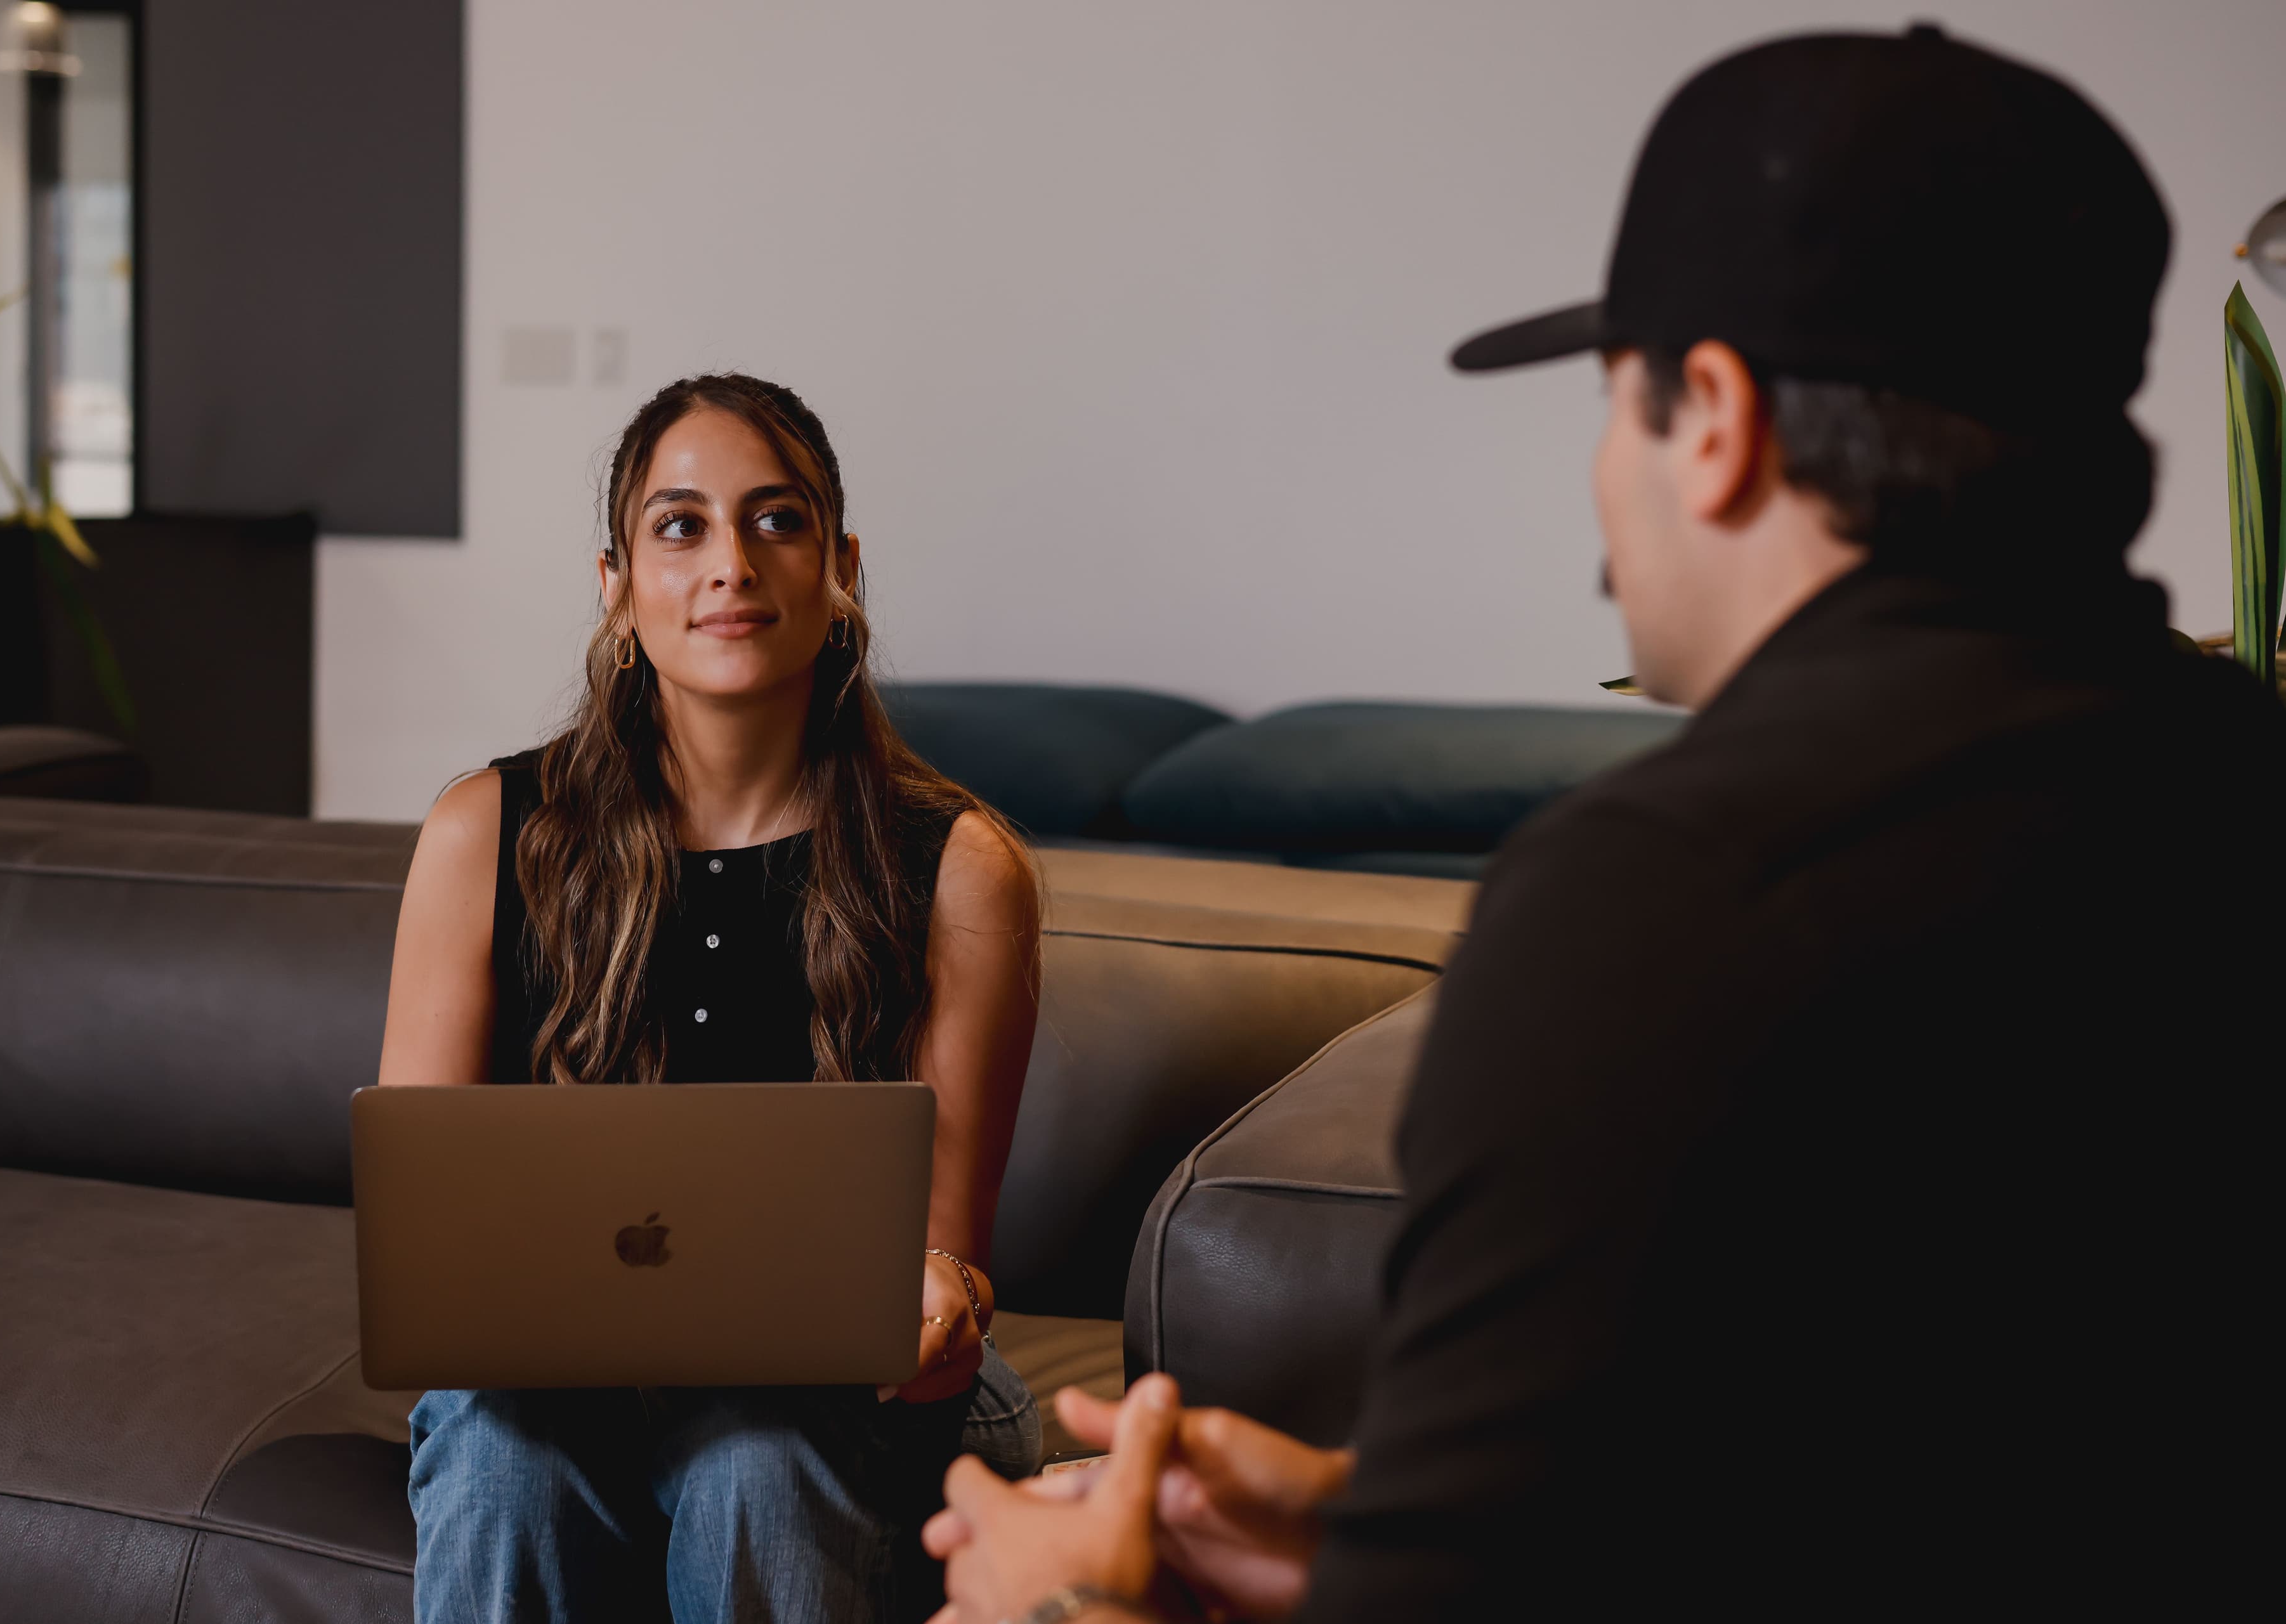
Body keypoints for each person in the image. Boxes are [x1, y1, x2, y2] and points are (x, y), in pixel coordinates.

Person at [924, 27, 2282, 1621]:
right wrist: (1371, 1537)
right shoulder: (2231, 780)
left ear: (1713, 419)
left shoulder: (1662, 904)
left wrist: (1065, 1602)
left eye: (1612, 405)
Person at [377, 372, 1048, 1623]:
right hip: (557, 1384)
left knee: (758, 1458)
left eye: (776, 520)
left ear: (838, 566)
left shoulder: (959, 867)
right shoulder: (485, 833)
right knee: (500, 1455)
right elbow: (429, 1242)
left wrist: (938, 1301)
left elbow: (945, 1258)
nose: (729, 562)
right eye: (679, 526)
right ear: (618, 585)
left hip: (838, 1404)